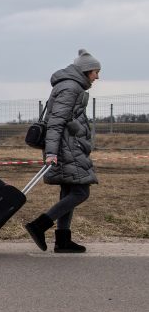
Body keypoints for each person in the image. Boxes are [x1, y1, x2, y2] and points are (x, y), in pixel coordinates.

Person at [24, 49, 101, 253]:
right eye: (95, 72)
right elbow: (55, 123)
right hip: (66, 149)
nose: (97, 76)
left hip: (69, 146)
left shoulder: (71, 86)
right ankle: (39, 225)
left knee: (69, 190)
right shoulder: (70, 88)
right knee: (81, 191)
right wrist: (51, 153)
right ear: (85, 71)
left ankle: (63, 240)